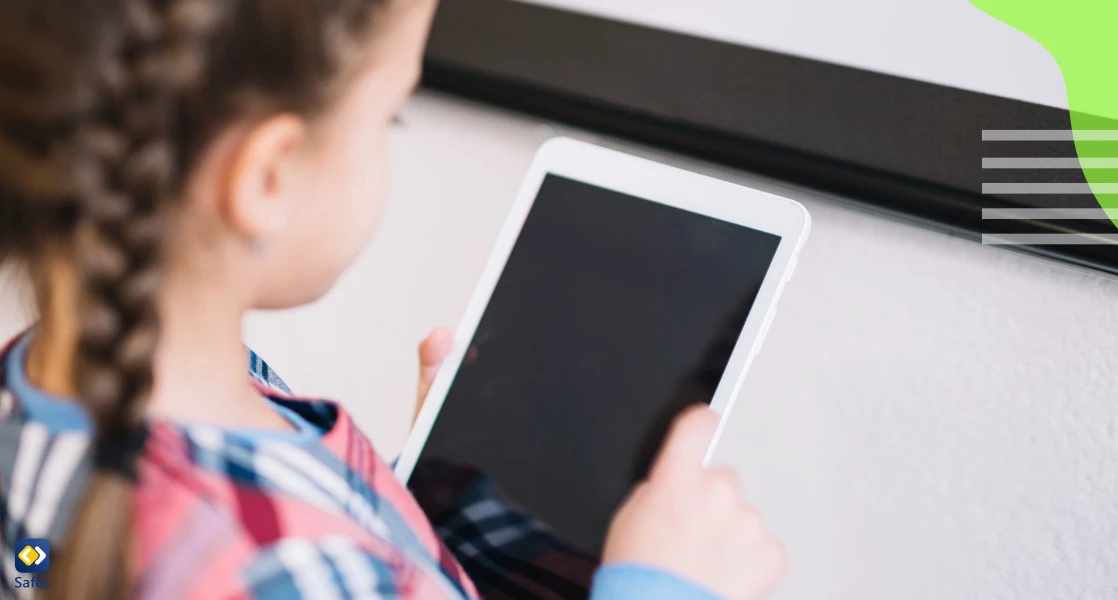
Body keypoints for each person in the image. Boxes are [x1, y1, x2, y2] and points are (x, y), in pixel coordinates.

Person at [0, 0, 787, 598]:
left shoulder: (36, 394)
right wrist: (657, 586)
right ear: (268, 178)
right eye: (389, 117)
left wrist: (422, 500)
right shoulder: (294, 568)